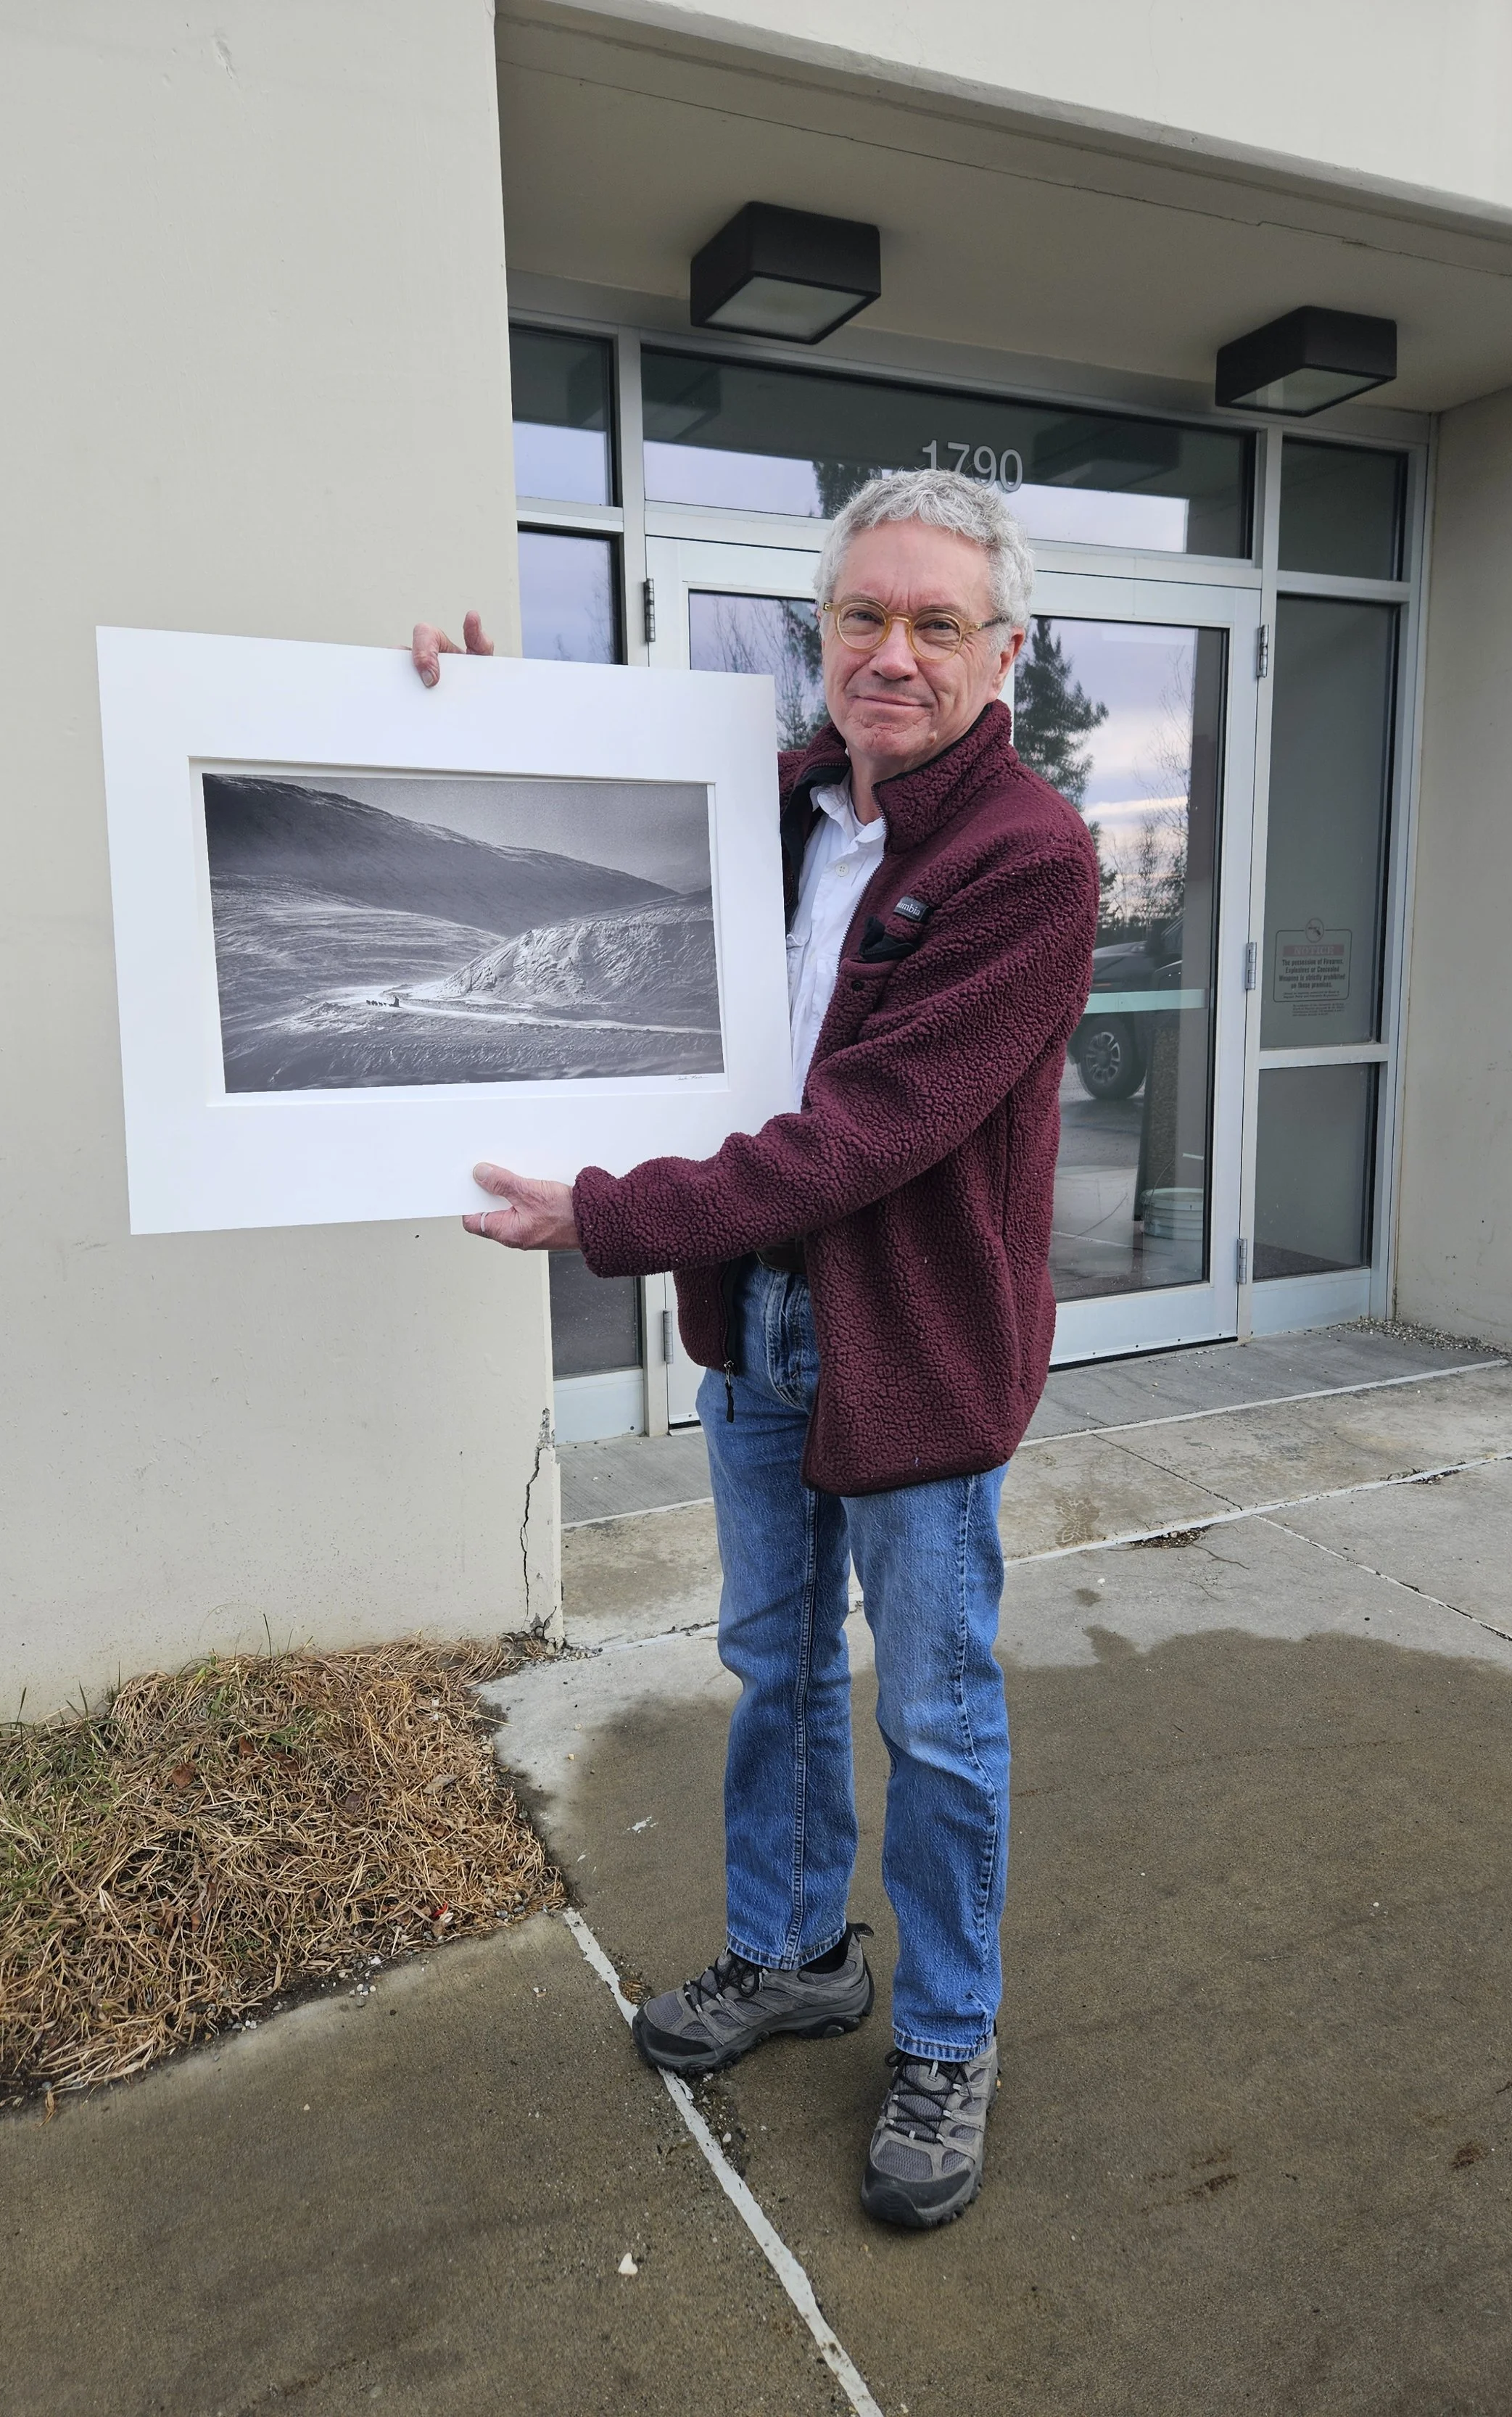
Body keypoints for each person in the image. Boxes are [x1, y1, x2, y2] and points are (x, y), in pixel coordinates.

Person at [412, 469, 1099, 2229]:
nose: (890, 652)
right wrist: (470, 707)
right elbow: (578, 803)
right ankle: (792, 1952)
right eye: (860, 615)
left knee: (934, 1709)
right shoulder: (777, 799)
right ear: (823, 633)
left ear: (1000, 650)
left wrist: (608, 1216)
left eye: (935, 623)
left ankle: (944, 2032)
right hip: (764, 1325)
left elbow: (862, 1134)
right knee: (773, 1664)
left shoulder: (1028, 859)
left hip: (919, 1347)